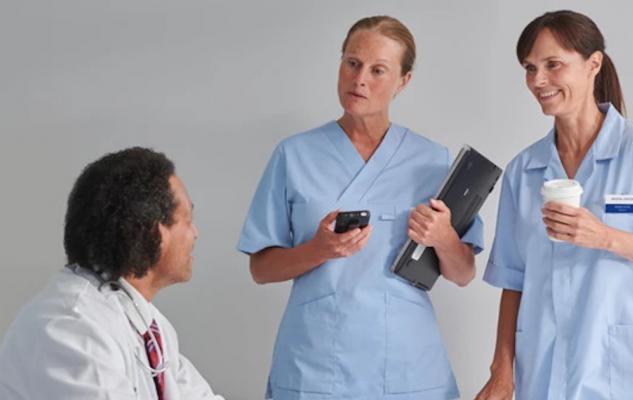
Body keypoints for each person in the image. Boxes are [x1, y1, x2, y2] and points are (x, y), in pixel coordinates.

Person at [238, 15, 483, 400]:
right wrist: (317, 251)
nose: (360, 79)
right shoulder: (294, 155)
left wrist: (445, 238)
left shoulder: (432, 161)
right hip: (316, 363)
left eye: (378, 70)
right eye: (352, 63)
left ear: (404, 81)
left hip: (407, 365)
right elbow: (261, 269)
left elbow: (464, 273)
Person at [476, 10, 633, 400]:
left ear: (593, 64)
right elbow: (513, 282)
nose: (538, 81)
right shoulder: (524, 170)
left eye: (553, 65)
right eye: (530, 68)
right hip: (545, 368)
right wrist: (502, 371)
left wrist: (603, 236)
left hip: (627, 370)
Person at [0, 147, 224, 399]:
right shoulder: (72, 329)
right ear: (155, 232)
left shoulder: (148, 323)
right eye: (187, 220)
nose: (195, 233)